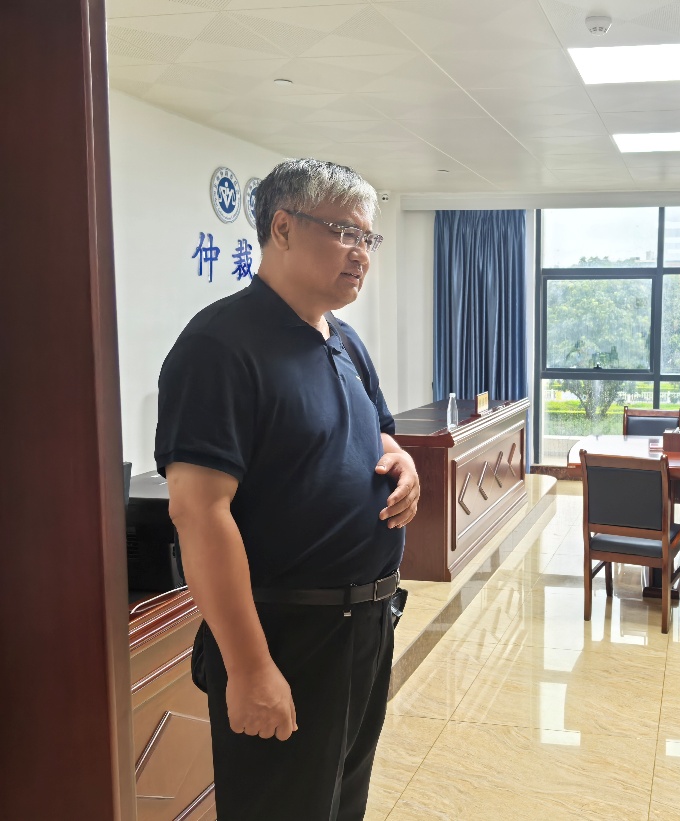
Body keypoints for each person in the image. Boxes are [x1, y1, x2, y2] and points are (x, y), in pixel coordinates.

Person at [155, 158, 420, 821]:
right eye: (345, 232)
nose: (361, 253)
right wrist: (249, 668)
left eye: (368, 237)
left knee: (340, 803)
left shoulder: (345, 340)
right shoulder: (220, 346)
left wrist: (405, 465)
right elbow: (198, 511)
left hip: (365, 626)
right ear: (282, 228)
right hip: (285, 632)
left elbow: (377, 437)